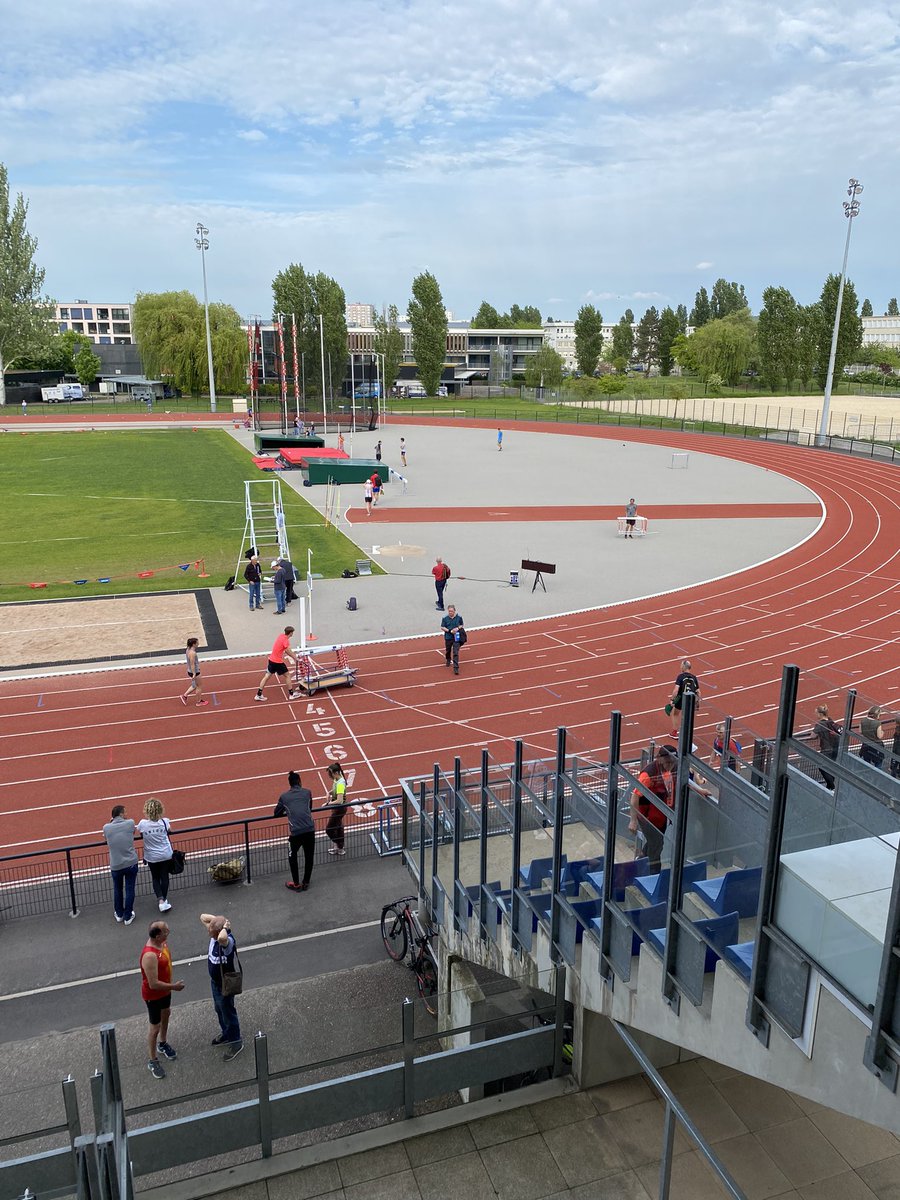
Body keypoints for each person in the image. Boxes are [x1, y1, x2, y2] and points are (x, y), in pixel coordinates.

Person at [140, 921, 185, 1079]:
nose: (168, 932)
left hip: (165, 990)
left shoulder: (162, 943)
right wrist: (174, 987)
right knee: (155, 1027)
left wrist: (169, 987)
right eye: (166, 931)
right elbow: (153, 984)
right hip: (154, 995)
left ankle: (163, 1043)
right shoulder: (150, 956)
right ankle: (152, 1060)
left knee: (166, 1013)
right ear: (158, 936)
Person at [200, 913, 243, 1061]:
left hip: (225, 985)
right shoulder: (215, 935)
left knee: (228, 1013)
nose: (209, 934)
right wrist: (220, 922)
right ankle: (226, 1033)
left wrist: (225, 928)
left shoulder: (227, 942)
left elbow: (222, 938)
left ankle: (236, 1042)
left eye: (211, 932)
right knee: (219, 1009)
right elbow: (203, 917)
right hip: (215, 983)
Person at [628, 746, 676, 872]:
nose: (670, 766)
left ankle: (641, 860)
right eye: (668, 762)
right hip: (647, 817)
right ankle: (654, 873)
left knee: (653, 843)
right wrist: (633, 820)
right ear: (659, 759)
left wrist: (700, 790)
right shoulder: (648, 774)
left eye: (672, 762)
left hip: (662, 816)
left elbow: (684, 780)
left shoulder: (673, 767)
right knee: (657, 844)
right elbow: (635, 796)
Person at [275, 770, 315, 891]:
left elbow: (276, 813)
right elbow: (309, 807)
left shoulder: (284, 797)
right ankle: (306, 882)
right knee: (309, 857)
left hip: (296, 832)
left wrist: (288, 811)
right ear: (300, 781)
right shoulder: (307, 792)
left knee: (292, 857)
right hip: (310, 829)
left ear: (290, 783)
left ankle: (296, 883)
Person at [103, 805, 138, 925]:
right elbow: (132, 832)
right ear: (121, 814)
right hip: (131, 863)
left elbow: (106, 838)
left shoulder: (106, 827)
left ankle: (119, 914)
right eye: (125, 812)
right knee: (130, 889)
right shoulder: (130, 823)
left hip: (116, 864)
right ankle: (128, 916)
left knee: (117, 889)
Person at [138, 798, 174, 912]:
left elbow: (140, 833)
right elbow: (170, 830)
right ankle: (164, 900)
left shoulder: (142, 824)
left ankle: (161, 900)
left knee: (155, 877)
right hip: (165, 854)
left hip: (151, 856)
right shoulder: (165, 822)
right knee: (164, 877)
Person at [255, 626, 299, 701]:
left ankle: (258, 694)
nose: (293, 634)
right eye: (292, 632)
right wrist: (296, 658)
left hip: (271, 660)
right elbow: (288, 651)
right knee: (287, 675)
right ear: (291, 633)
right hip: (277, 662)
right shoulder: (286, 640)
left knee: (266, 676)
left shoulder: (281, 636)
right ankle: (291, 695)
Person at [670, 659, 701, 737]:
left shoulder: (680, 676)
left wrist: (672, 699)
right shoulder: (694, 677)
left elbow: (676, 690)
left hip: (681, 699)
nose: (680, 667)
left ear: (684, 667)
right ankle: (687, 733)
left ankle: (674, 732)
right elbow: (698, 692)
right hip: (690, 700)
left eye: (681, 666)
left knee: (675, 714)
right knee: (688, 716)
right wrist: (697, 702)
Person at [813, 704, 841, 789]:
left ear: (820, 714)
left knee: (822, 766)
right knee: (831, 765)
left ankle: (831, 785)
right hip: (835, 747)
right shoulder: (831, 721)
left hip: (826, 748)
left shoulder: (820, 724)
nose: (815, 715)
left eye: (816, 713)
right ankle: (830, 785)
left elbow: (813, 735)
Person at [325, 762, 348, 856]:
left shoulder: (340, 783)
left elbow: (339, 800)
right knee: (338, 827)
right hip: (337, 808)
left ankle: (339, 846)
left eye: (330, 773)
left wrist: (328, 803)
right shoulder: (337, 779)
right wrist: (329, 793)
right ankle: (339, 848)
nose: (329, 776)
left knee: (329, 829)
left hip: (339, 809)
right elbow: (335, 790)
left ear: (336, 773)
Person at [181, 637, 208, 706]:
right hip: (195, 671)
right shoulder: (192, 653)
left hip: (190, 670)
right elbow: (192, 664)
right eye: (197, 643)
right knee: (199, 686)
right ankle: (199, 702)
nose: (198, 644)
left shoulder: (188, 649)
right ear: (193, 644)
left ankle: (185, 696)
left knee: (195, 685)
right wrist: (194, 673)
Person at [441, 604, 465, 675]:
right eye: (449, 611)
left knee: (455, 652)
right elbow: (442, 627)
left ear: (454, 611)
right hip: (448, 637)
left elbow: (461, 625)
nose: (450, 612)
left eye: (451, 611)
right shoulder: (445, 618)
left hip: (456, 637)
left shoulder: (459, 617)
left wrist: (457, 628)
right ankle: (448, 659)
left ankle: (456, 668)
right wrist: (450, 631)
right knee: (448, 650)